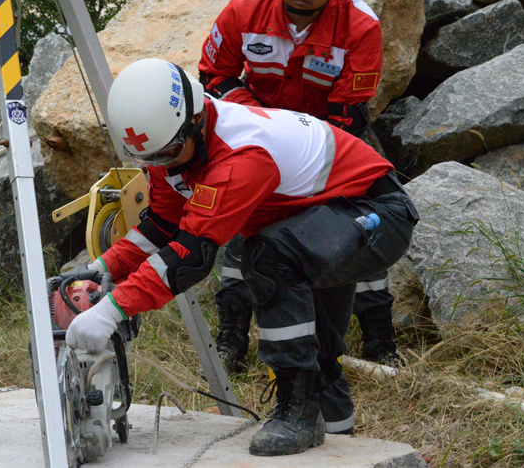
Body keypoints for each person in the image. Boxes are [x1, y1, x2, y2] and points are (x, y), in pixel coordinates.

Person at [65, 58, 418, 456]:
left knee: (268, 257)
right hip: (321, 217)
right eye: (153, 160)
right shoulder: (175, 141)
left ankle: (297, 415)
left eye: (168, 154)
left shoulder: (241, 154)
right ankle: (340, 452)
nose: (162, 167)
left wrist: (112, 311)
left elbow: (188, 257)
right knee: (318, 353)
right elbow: (162, 225)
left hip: (375, 213)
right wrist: (103, 269)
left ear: (196, 118)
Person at [198, 0, 401, 376]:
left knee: (357, 222)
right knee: (241, 227)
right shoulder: (241, 11)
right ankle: (231, 337)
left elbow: (349, 112)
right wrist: (261, 122)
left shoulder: (361, 27)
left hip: (332, 138)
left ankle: (378, 339)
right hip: (257, 135)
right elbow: (214, 76)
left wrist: (305, 167)